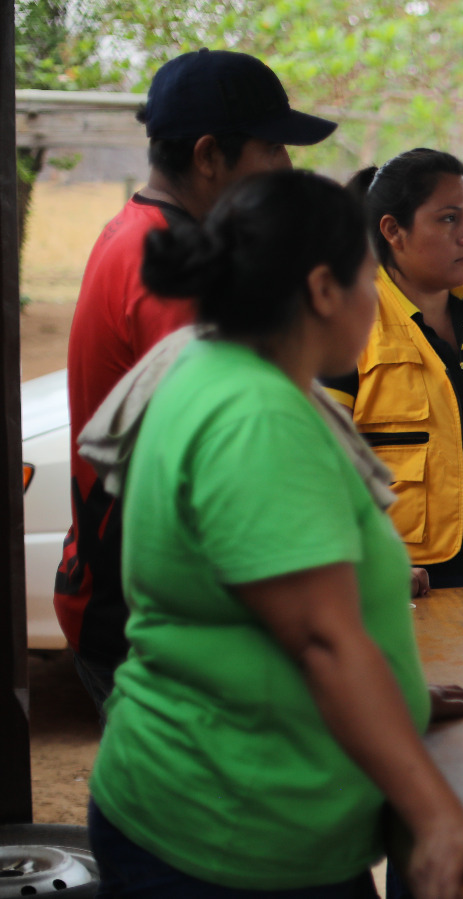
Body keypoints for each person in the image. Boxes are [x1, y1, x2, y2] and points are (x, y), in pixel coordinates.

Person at [87, 169, 463, 898]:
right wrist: (438, 816)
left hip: (227, 808)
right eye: (369, 280)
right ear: (320, 289)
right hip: (230, 835)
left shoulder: (212, 363)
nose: (376, 304)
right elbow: (321, 641)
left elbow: (264, 614)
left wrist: (396, 692)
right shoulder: (259, 418)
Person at [52, 49, 337, 716]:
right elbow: (223, 480)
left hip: (118, 588)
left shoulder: (135, 232)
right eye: (272, 148)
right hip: (150, 613)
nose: (286, 168)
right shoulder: (178, 273)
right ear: (210, 156)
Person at [325, 150, 463, 587]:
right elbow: (317, 465)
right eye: (448, 219)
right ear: (393, 231)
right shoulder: (351, 321)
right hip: (408, 578)